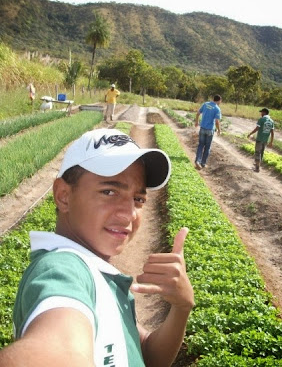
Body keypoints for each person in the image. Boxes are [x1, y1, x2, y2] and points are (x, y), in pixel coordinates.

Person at [0, 128, 194, 367]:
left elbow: (144, 353)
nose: (129, 214)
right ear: (63, 196)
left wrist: (181, 307)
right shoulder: (62, 271)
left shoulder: (97, 272)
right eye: (109, 191)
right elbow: (54, 349)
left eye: (138, 199)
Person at [194, 94, 222, 169]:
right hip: (210, 130)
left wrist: (197, 122)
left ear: (213, 99)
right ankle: (203, 163)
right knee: (207, 147)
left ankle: (197, 161)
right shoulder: (217, 109)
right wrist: (219, 130)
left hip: (202, 128)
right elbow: (217, 121)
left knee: (200, 145)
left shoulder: (205, 104)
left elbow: (198, 113)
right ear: (219, 100)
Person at [247, 107, 274, 172]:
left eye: (261, 112)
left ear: (264, 112)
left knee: (257, 152)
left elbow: (257, 128)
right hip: (265, 140)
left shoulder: (262, 119)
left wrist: (250, 134)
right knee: (261, 152)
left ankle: (257, 168)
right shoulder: (271, 121)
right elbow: (272, 132)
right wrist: (271, 142)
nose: (261, 113)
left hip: (259, 139)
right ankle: (257, 164)